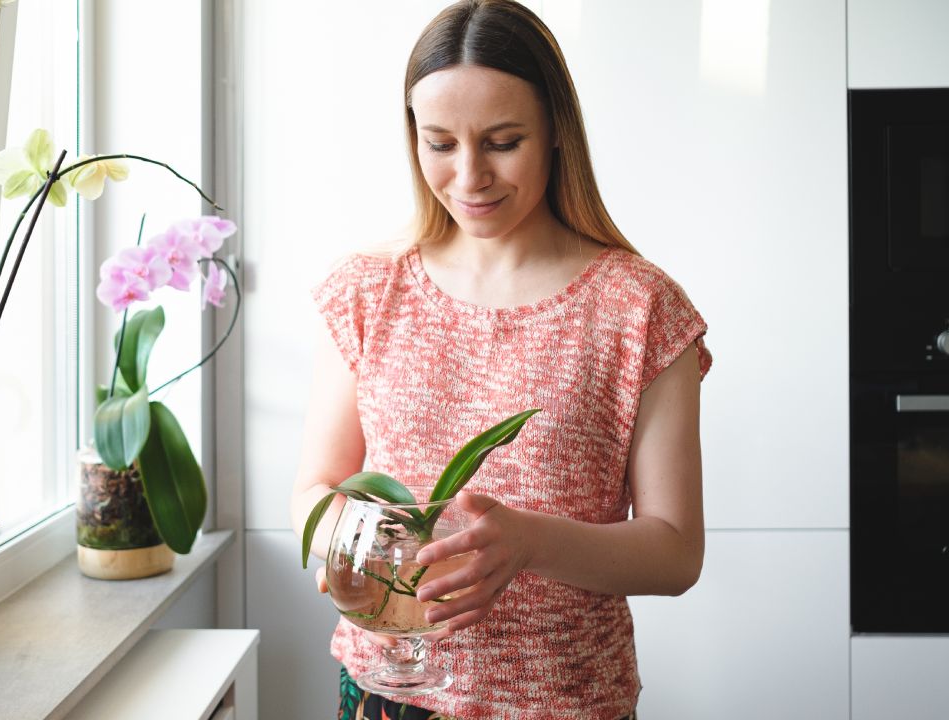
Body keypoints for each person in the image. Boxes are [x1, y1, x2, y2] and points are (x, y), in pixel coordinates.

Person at [290, 1, 712, 718]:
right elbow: (317, 492)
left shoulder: (641, 308)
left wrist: (530, 543)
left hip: (568, 702)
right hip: (387, 694)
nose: (469, 176)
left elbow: (675, 553)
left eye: (502, 141)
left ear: (555, 132)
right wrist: (350, 548)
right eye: (440, 144)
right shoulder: (366, 291)